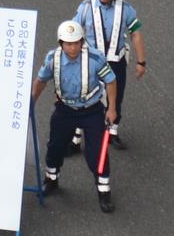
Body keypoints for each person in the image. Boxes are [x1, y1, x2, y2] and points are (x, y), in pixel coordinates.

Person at [32, 20, 117, 214]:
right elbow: (40, 81)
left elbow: (111, 82)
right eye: (68, 43)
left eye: (77, 42)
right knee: (55, 146)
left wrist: (112, 109)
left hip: (92, 110)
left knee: (97, 153)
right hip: (65, 110)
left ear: (82, 42)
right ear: (61, 43)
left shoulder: (95, 59)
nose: (73, 47)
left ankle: (103, 189)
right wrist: (31, 102)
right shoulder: (53, 58)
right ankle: (51, 179)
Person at [69, 0, 146, 152]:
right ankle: (77, 137)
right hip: (91, 62)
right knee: (84, 96)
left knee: (115, 97)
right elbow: (73, 32)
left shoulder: (125, 9)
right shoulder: (86, 7)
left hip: (115, 61)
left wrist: (141, 61)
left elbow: (135, 34)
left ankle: (112, 130)